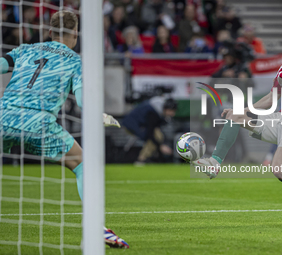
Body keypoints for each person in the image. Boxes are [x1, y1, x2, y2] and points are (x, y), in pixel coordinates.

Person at [0, 10, 129, 248]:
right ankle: (95, 227)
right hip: (38, 123)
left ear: (50, 31)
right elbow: (81, 102)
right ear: (76, 34)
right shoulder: (74, 60)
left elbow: (0, 65)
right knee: (83, 164)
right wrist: (98, 115)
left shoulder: (26, 49)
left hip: (3, 117)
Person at [194, 24, 282, 223]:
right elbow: (273, 97)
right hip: (278, 117)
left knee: (279, 169)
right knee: (235, 116)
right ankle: (214, 163)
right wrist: (246, 110)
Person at [122, 97, 177, 165]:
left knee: (157, 137)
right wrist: (160, 147)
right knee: (154, 139)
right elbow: (150, 133)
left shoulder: (157, 110)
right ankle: (140, 161)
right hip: (131, 125)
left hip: (135, 125)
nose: (173, 114)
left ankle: (146, 159)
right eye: (172, 111)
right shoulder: (153, 112)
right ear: (166, 108)